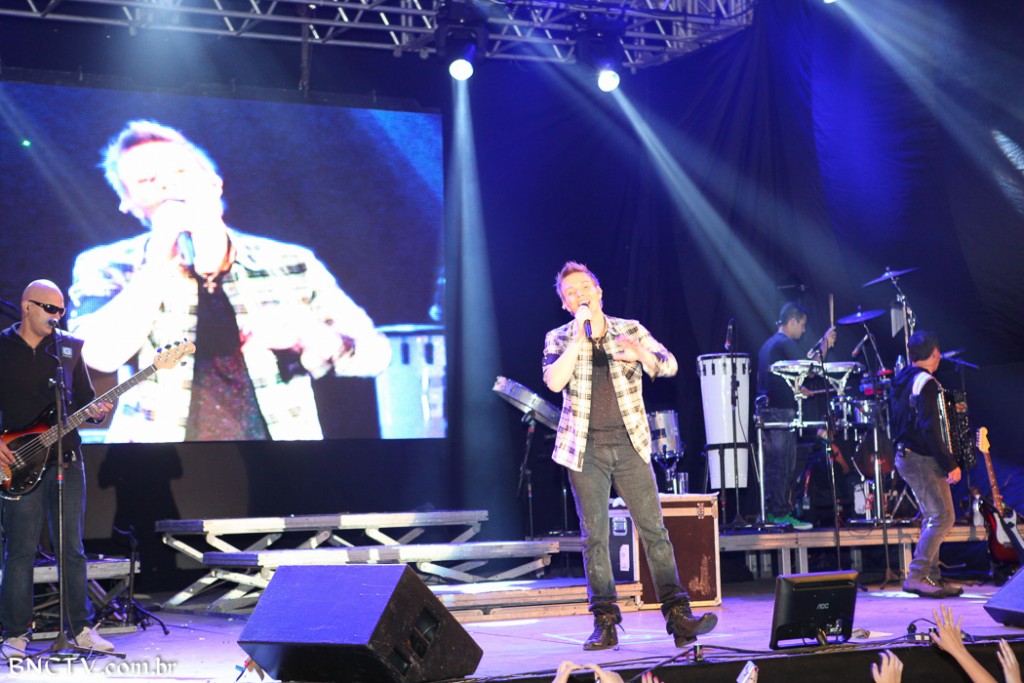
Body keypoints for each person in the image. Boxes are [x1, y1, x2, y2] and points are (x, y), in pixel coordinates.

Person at [68, 120, 392, 443]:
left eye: (179, 171)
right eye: (147, 179)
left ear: (213, 182)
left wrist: (306, 333)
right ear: (127, 201)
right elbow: (98, 357)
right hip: (162, 462)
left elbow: (376, 355)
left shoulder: (289, 262)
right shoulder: (108, 265)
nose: (168, 184)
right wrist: (158, 262)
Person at [542, 262, 717, 651]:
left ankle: (678, 615)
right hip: (584, 449)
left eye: (584, 287)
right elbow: (554, 381)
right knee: (595, 537)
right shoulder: (558, 338)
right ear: (566, 304)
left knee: (655, 531)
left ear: (599, 291)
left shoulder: (630, 329)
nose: (579, 295)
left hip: (630, 444)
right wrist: (579, 338)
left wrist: (641, 354)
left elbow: (670, 364)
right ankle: (605, 620)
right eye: (570, 293)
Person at [0, 280, 115, 659]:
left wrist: (97, 412)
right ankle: (16, 634)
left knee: (72, 549)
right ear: (27, 306)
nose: (57, 315)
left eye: (61, 309)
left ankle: (80, 629)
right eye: (49, 308)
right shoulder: (3, 347)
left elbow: (85, 402)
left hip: (66, 459)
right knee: (20, 552)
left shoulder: (68, 348)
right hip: (18, 462)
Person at [890, 330, 963, 598]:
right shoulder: (927, 383)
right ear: (935, 354)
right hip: (920, 457)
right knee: (943, 516)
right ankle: (917, 576)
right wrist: (949, 463)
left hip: (906, 454)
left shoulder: (901, 380)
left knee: (934, 516)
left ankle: (932, 577)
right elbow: (930, 429)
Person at [756, 302, 835, 529]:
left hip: (769, 411)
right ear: (792, 322)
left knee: (775, 465)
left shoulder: (769, 345)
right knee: (783, 465)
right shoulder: (784, 342)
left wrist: (797, 389)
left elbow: (779, 379)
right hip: (779, 413)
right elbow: (810, 368)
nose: (803, 330)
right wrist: (825, 344)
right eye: (802, 325)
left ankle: (772, 512)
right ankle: (780, 513)